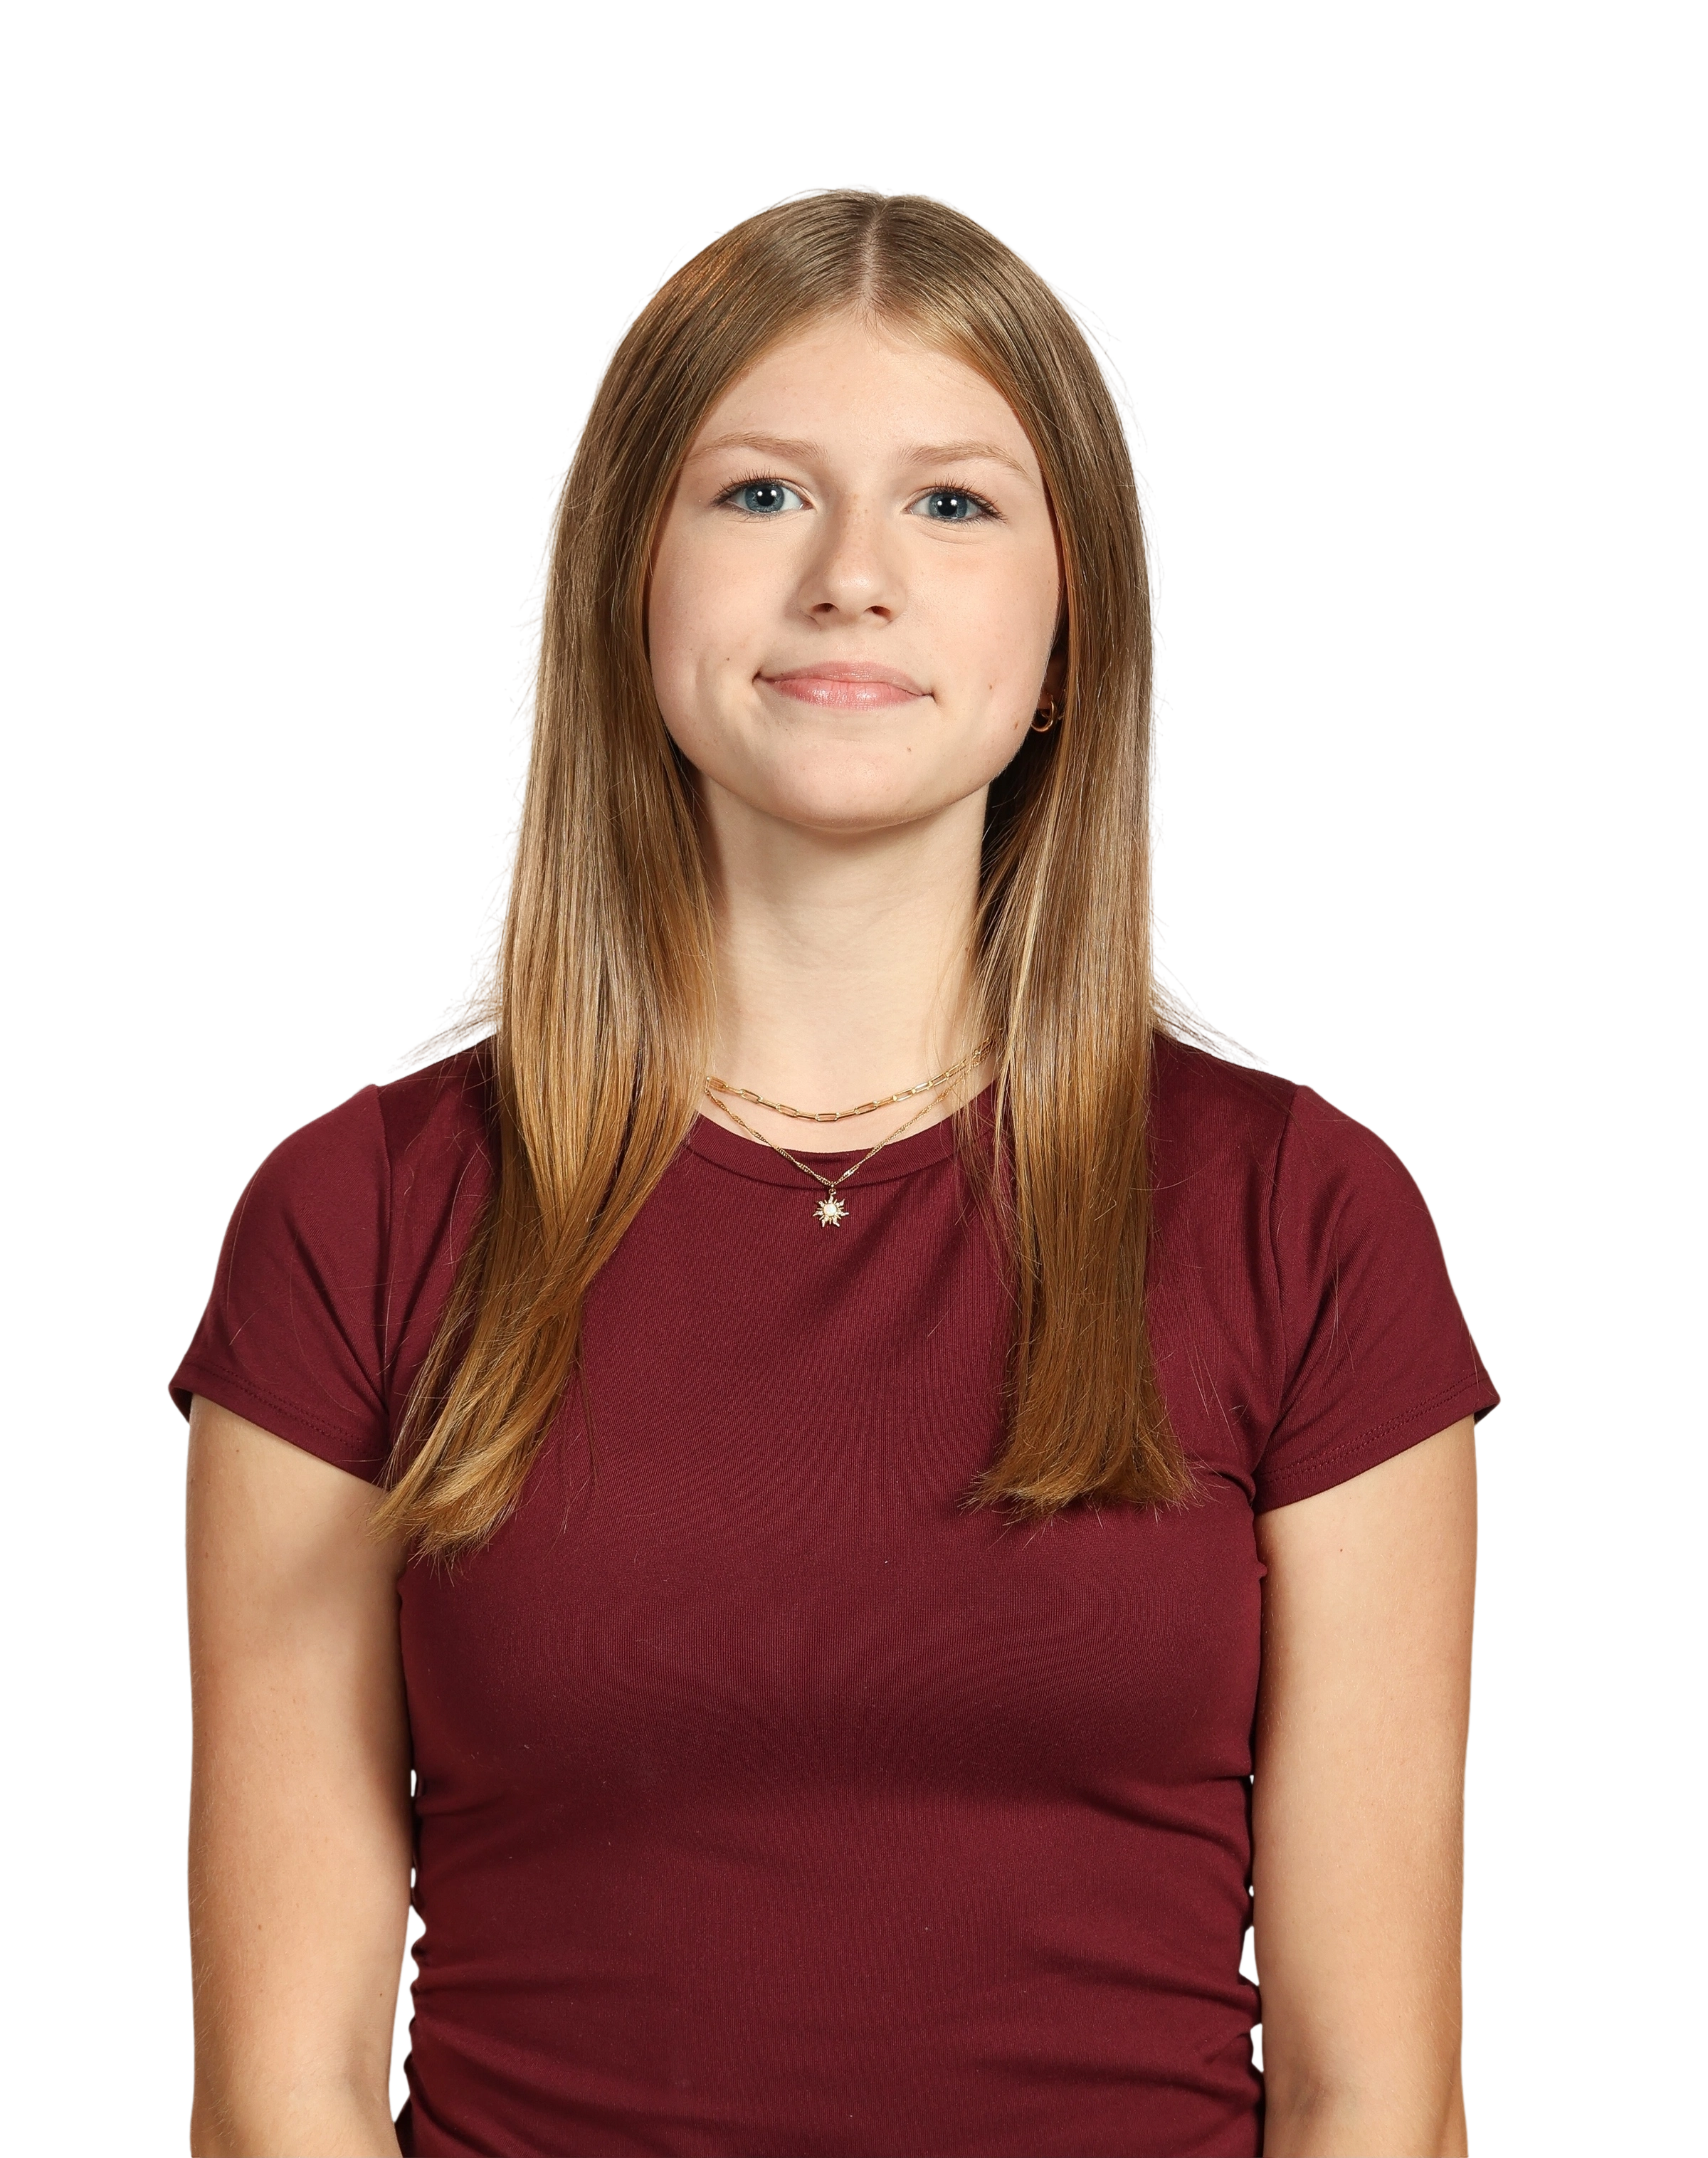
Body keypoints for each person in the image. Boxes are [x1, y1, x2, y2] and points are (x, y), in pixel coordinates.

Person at [169, 182, 1500, 2158]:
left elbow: (1371, 2090)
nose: (851, 579)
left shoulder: (1301, 1220)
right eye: (762, 492)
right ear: (631, 576)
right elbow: (280, 2084)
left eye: (953, 503)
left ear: (1073, 616)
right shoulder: (356, 1219)